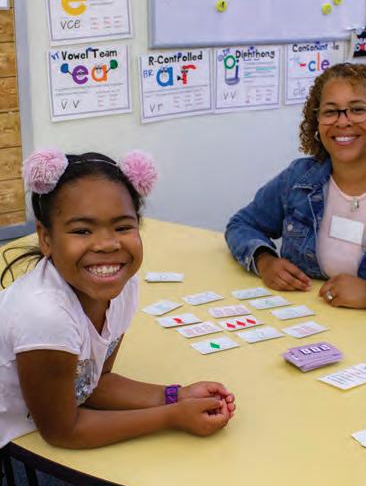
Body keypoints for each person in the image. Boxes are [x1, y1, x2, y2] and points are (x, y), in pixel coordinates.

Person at [0, 149, 235, 450]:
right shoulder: (44, 315)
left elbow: (95, 383)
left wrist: (176, 395)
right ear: (46, 239)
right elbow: (63, 431)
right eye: (82, 230)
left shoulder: (123, 287)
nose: (107, 244)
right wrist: (172, 416)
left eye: (123, 227)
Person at [225, 63, 366, 314]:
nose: (342, 121)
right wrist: (264, 260)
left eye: (357, 109)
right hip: (307, 322)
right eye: (330, 111)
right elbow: (242, 224)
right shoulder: (298, 179)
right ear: (317, 122)